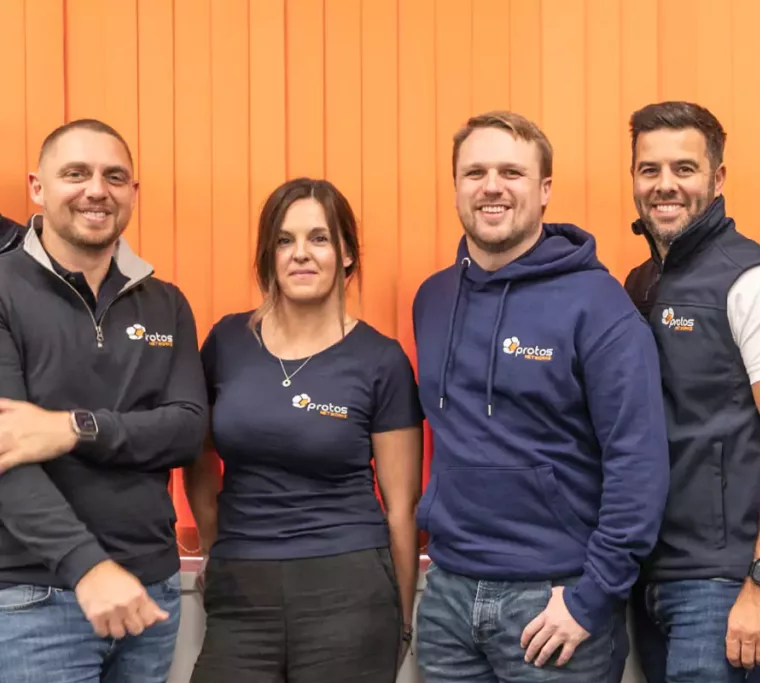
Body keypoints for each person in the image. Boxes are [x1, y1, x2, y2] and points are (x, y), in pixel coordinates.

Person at [412, 110, 670, 682]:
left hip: (554, 601)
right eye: (474, 172)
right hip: (449, 597)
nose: (492, 187)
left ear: (545, 189)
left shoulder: (598, 306)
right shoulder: (433, 300)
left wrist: (592, 597)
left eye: (512, 172)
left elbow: (639, 462)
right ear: (456, 185)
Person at [184, 177, 424, 683]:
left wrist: (403, 621)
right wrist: (216, 549)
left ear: (348, 255)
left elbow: (401, 509)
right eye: (284, 240)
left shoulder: (380, 360)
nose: (301, 254)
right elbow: (198, 458)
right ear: (267, 256)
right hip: (241, 588)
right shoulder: (226, 342)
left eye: (319, 238)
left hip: (349, 587)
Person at [623, 101, 760, 683]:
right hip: (654, 577)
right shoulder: (639, 283)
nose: (665, 185)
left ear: (717, 179)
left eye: (684, 169)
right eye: (649, 169)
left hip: (728, 583)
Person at [0, 118, 207, 681]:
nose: (97, 189)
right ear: (37, 188)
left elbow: (187, 429)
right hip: (35, 602)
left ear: (133, 193)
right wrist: (88, 569)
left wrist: (73, 428)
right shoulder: (2, 288)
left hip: (151, 595)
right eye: (76, 173)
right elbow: (7, 457)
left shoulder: (165, 303)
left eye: (115, 176)